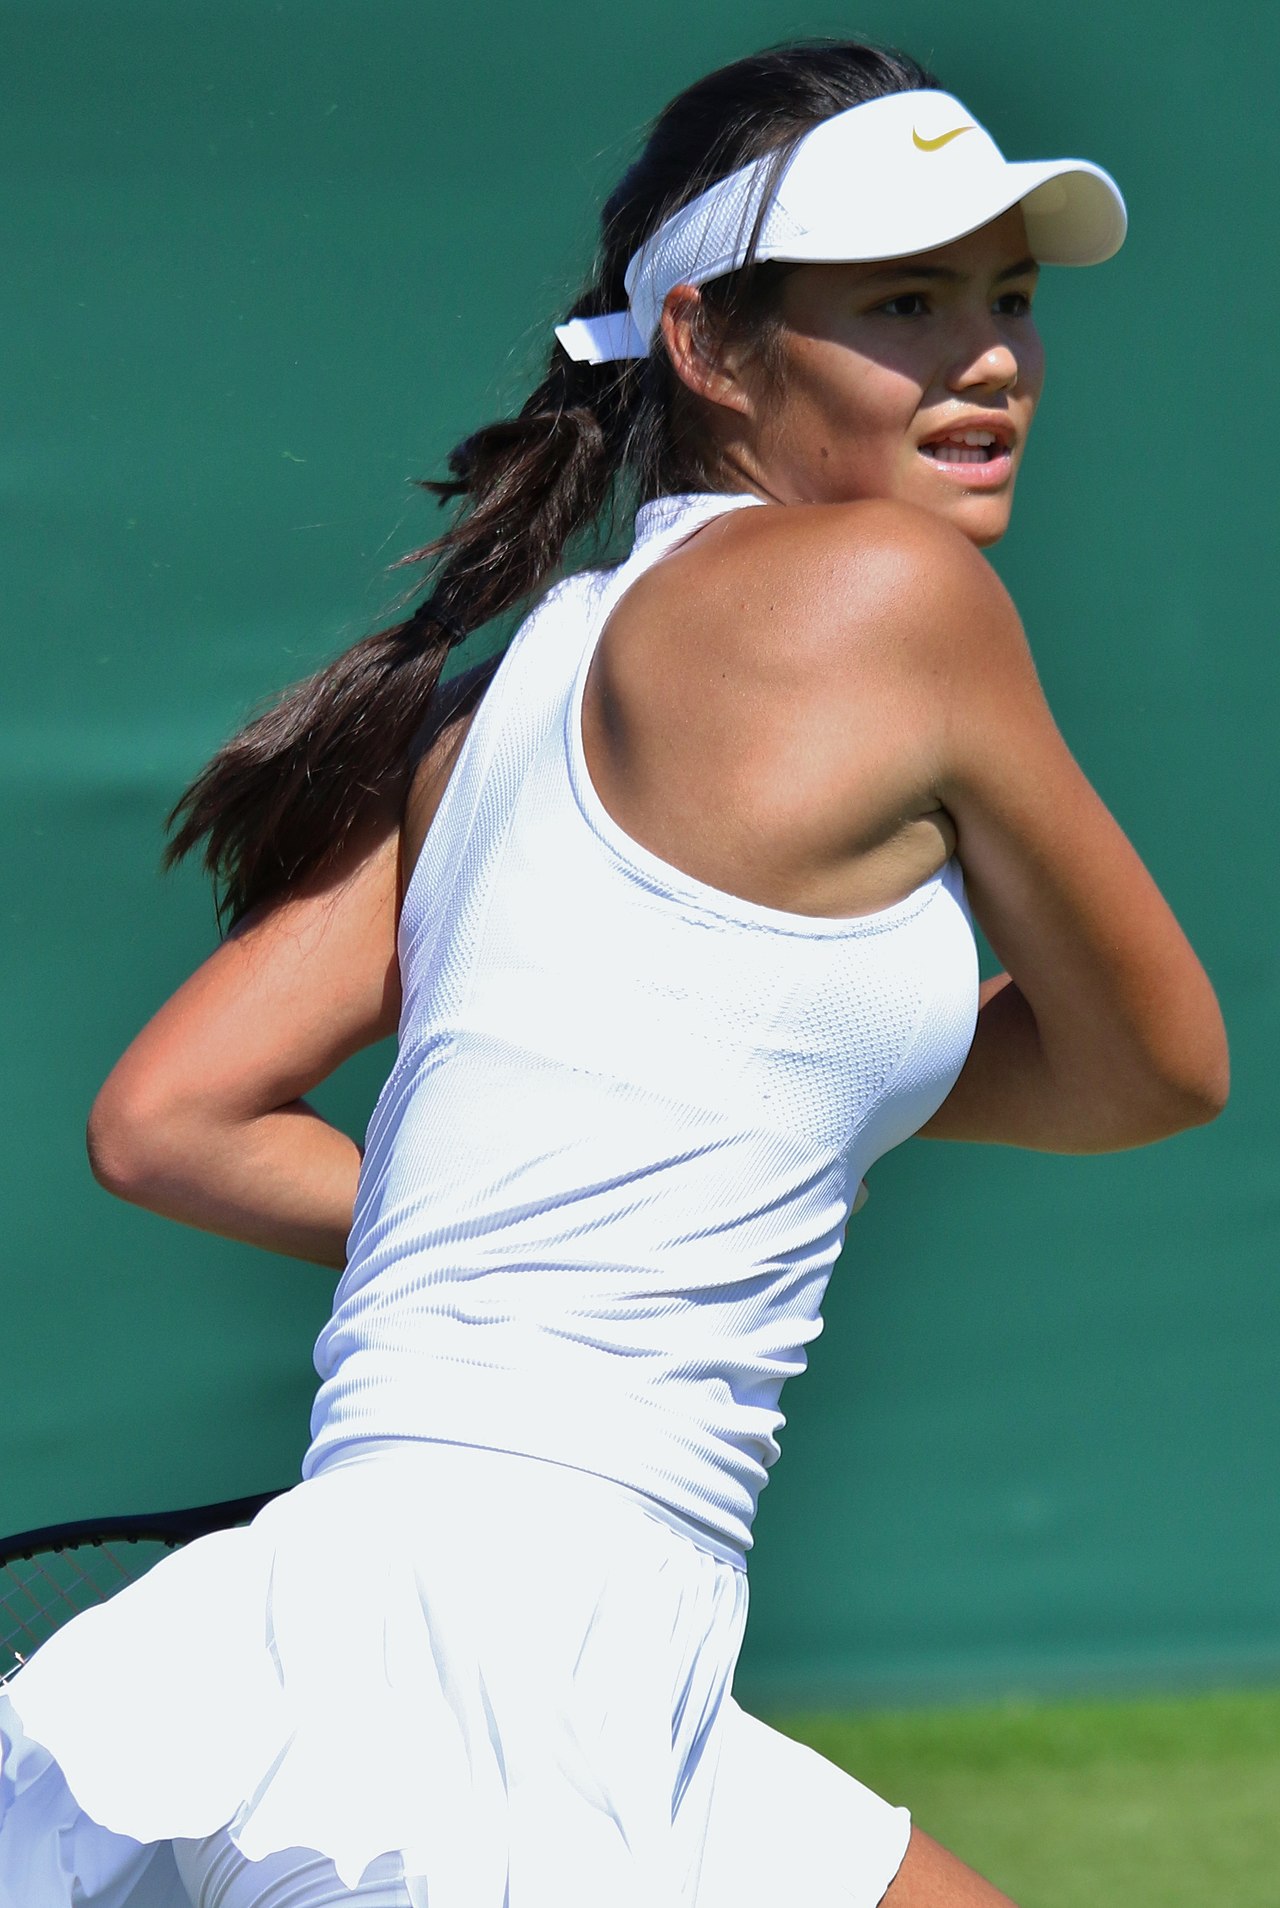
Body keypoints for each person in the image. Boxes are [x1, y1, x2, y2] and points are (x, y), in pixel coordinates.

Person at [0, 36, 1228, 1908]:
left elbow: (169, 1121)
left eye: (1008, 299)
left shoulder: (491, 708)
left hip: (530, 1625)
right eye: (903, 302)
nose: (986, 358)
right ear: (710, 348)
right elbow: (1157, 1065)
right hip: (494, 1631)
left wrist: (543, 1247)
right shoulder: (902, 600)